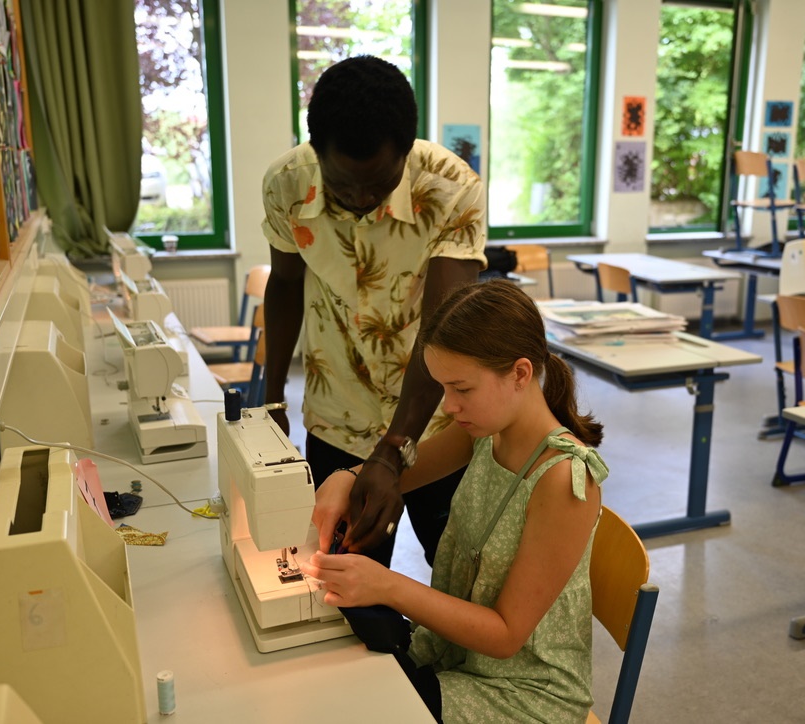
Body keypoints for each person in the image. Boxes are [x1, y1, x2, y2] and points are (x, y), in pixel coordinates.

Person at [302, 280, 607, 723]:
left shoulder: (563, 479)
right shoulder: (485, 433)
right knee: (338, 683)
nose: (449, 406)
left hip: (525, 690)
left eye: (461, 389)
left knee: (361, 706)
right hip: (456, 655)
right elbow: (398, 475)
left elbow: (505, 636)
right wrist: (345, 477)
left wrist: (386, 585)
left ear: (520, 374)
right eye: (443, 387)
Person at [260, 55, 487, 565]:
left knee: (458, 574)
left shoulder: (452, 187)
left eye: (378, 183)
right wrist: (271, 394)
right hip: (337, 414)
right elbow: (285, 282)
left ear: (406, 152)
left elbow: (445, 329)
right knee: (340, 576)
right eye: (344, 187)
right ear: (316, 153)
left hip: (436, 425)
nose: (361, 199)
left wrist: (394, 448)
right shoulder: (286, 186)